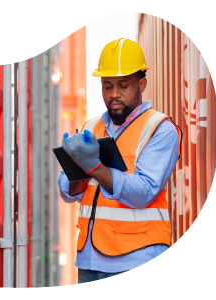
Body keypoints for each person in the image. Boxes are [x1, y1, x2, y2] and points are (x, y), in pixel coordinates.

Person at [58, 38, 182, 288]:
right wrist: (76, 170)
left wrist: (94, 167)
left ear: (142, 84)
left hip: (140, 263)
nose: (114, 94)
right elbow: (67, 190)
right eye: (107, 86)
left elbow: (143, 192)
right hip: (90, 260)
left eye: (123, 86)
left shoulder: (160, 129)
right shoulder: (90, 127)